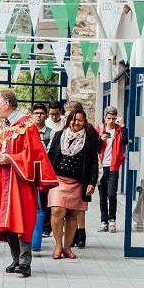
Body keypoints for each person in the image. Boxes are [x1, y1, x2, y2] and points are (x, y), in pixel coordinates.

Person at [0, 89, 58, 277]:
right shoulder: (4, 126)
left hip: (20, 181)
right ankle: (16, 259)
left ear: (7, 104)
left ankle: (25, 262)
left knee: (21, 219)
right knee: (6, 222)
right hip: (4, 181)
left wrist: (9, 159)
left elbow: (34, 155)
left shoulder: (27, 125)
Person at [47, 107, 99, 259]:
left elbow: (94, 164)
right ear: (69, 120)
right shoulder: (58, 135)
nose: (76, 123)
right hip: (58, 181)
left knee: (72, 215)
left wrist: (92, 182)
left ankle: (67, 247)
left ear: (85, 122)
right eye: (73, 119)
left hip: (78, 183)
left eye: (79, 120)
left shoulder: (89, 140)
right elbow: (50, 157)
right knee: (57, 210)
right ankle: (58, 245)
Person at [63, 101, 101, 249]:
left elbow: (96, 147)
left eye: (68, 111)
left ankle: (81, 234)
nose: (66, 114)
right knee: (67, 207)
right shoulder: (65, 127)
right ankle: (71, 236)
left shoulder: (88, 128)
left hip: (83, 172)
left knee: (79, 207)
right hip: (66, 174)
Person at [97, 106, 128, 233]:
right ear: (105, 118)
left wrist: (123, 126)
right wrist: (100, 140)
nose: (111, 121)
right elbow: (93, 146)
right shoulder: (99, 129)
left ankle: (112, 220)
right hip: (101, 167)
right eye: (109, 118)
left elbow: (125, 142)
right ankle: (103, 221)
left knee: (112, 194)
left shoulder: (120, 130)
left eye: (114, 118)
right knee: (102, 196)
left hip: (113, 166)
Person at [31, 104, 54, 238]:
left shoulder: (51, 132)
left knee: (45, 200)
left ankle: (46, 228)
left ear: (46, 116)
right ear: (32, 116)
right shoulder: (27, 131)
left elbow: (50, 153)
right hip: (30, 171)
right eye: (36, 113)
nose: (39, 115)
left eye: (41, 113)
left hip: (45, 171)